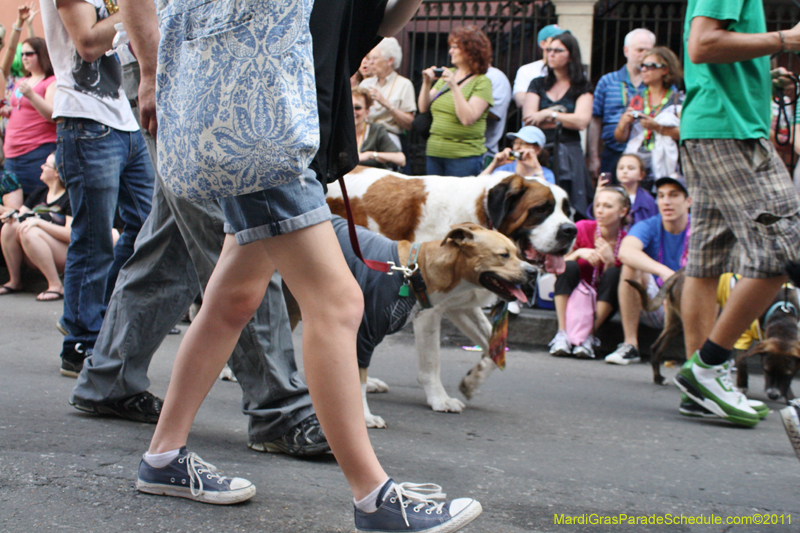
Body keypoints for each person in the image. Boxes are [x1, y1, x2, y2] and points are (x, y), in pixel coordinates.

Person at [123, 0, 483, 530]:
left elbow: (367, 21)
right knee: (337, 302)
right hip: (261, 122)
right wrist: (152, 69)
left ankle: (163, 456)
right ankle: (374, 498)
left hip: (274, 118)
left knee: (235, 298)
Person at [69, 54, 328, 457]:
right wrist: (152, 73)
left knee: (171, 246)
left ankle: (109, 378)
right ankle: (280, 409)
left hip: (204, 69)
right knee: (238, 243)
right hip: (186, 71)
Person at [675, 0, 800, 428]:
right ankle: (708, 367)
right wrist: (786, 39)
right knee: (787, 250)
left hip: (712, 127)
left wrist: (761, 72)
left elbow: (715, 49)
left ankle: (699, 387)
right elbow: (703, 45)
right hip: (730, 132)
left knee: (705, 261)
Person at [42, 0, 155, 377]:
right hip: (84, 121)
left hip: (123, 119)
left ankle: (87, 311)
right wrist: (138, 10)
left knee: (149, 225)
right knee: (93, 239)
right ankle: (80, 341)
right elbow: (88, 43)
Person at [607, 176, 690, 365]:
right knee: (630, 267)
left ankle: (711, 354)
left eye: (674, 195)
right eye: (661, 196)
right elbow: (625, 252)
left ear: (688, 201)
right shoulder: (650, 225)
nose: (666, 201)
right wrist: (665, 273)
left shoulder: (699, 227)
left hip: (694, 304)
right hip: (657, 303)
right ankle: (630, 345)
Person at [548, 186, 630, 359]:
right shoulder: (582, 227)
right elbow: (555, 266)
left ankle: (588, 336)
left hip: (602, 303)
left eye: (607, 206)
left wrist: (610, 262)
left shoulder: (627, 240)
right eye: (598, 205)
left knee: (614, 274)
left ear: (622, 211)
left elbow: (616, 284)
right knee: (569, 265)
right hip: (574, 297)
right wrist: (578, 253)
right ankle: (562, 333)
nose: (599, 211)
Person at [522, 31, 593, 217]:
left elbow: (582, 121)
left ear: (571, 56)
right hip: (540, 149)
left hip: (570, 151)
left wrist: (548, 114)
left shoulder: (582, 85)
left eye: (558, 51)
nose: (551, 54)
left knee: (571, 202)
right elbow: (529, 119)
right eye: (549, 50)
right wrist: (566, 118)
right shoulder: (537, 83)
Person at [418, 25, 494, 177]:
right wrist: (426, 83)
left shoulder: (482, 82)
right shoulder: (449, 74)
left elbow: (467, 119)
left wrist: (453, 85)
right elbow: (423, 107)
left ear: (471, 50)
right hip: (435, 152)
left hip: (463, 157)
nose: (450, 51)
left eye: (455, 47)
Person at [588, 28, 656, 183]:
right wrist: (593, 157)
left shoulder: (658, 84)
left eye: (649, 50)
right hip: (612, 153)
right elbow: (595, 121)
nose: (644, 55)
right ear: (626, 51)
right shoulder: (607, 81)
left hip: (649, 154)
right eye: (639, 50)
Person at [0, 152, 70, 301]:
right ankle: (15, 280)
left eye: (46, 165)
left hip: (62, 251)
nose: (41, 167)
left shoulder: (70, 197)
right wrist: (11, 216)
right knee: (10, 226)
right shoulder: (39, 192)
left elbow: (71, 234)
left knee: (29, 231)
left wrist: (39, 223)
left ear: (57, 172)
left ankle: (56, 285)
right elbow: (20, 215)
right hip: (33, 251)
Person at [613, 46, 683, 186]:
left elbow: (684, 133)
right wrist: (623, 123)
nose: (644, 70)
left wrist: (657, 127)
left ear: (665, 70)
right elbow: (620, 138)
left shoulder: (677, 99)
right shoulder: (635, 98)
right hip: (636, 165)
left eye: (650, 66)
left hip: (666, 164)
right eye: (642, 66)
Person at [0, 36, 56, 196]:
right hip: (11, 153)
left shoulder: (51, 81)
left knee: (35, 200)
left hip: (36, 151)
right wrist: (8, 110)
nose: (24, 57)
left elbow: (53, 115)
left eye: (29, 54)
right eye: (22, 54)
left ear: (41, 54)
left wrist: (31, 95)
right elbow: (20, 106)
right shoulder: (24, 80)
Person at [360, 38, 416, 150]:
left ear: (390, 60)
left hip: (389, 139)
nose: (370, 62)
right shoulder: (365, 84)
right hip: (364, 137)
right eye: (369, 58)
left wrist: (386, 104)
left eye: (375, 58)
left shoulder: (404, 84)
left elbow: (409, 124)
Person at [592, 154, 657, 228]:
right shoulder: (609, 194)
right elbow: (596, 218)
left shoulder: (648, 200)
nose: (625, 171)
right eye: (621, 168)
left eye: (631, 168)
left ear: (641, 175)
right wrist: (598, 195)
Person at [512, 24, 566, 108]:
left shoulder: (573, 69)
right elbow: (520, 100)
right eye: (555, 39)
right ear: (543, 44)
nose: (559, 42)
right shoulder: (526, 70)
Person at [352, 86, 406, 169]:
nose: (353, 112)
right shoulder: (339, 132)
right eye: (349, 107)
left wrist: (370, 155)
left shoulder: (376, 131)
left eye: (357, 108)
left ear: (367, 112)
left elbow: (401, 159)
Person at [480, 125, 554, 184]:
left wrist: (536, 169)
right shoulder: (505, 168)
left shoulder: (546, 174)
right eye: (516, 142)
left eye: (523, 143)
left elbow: (547, 196)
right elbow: (478, 186)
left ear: (537, 150)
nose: (517, 147)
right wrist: (493, 165)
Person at [483, 64, 511, 157]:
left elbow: (496, 114)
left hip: (482, 151)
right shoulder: (455, 74)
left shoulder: (495, 76)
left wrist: (474, 105)